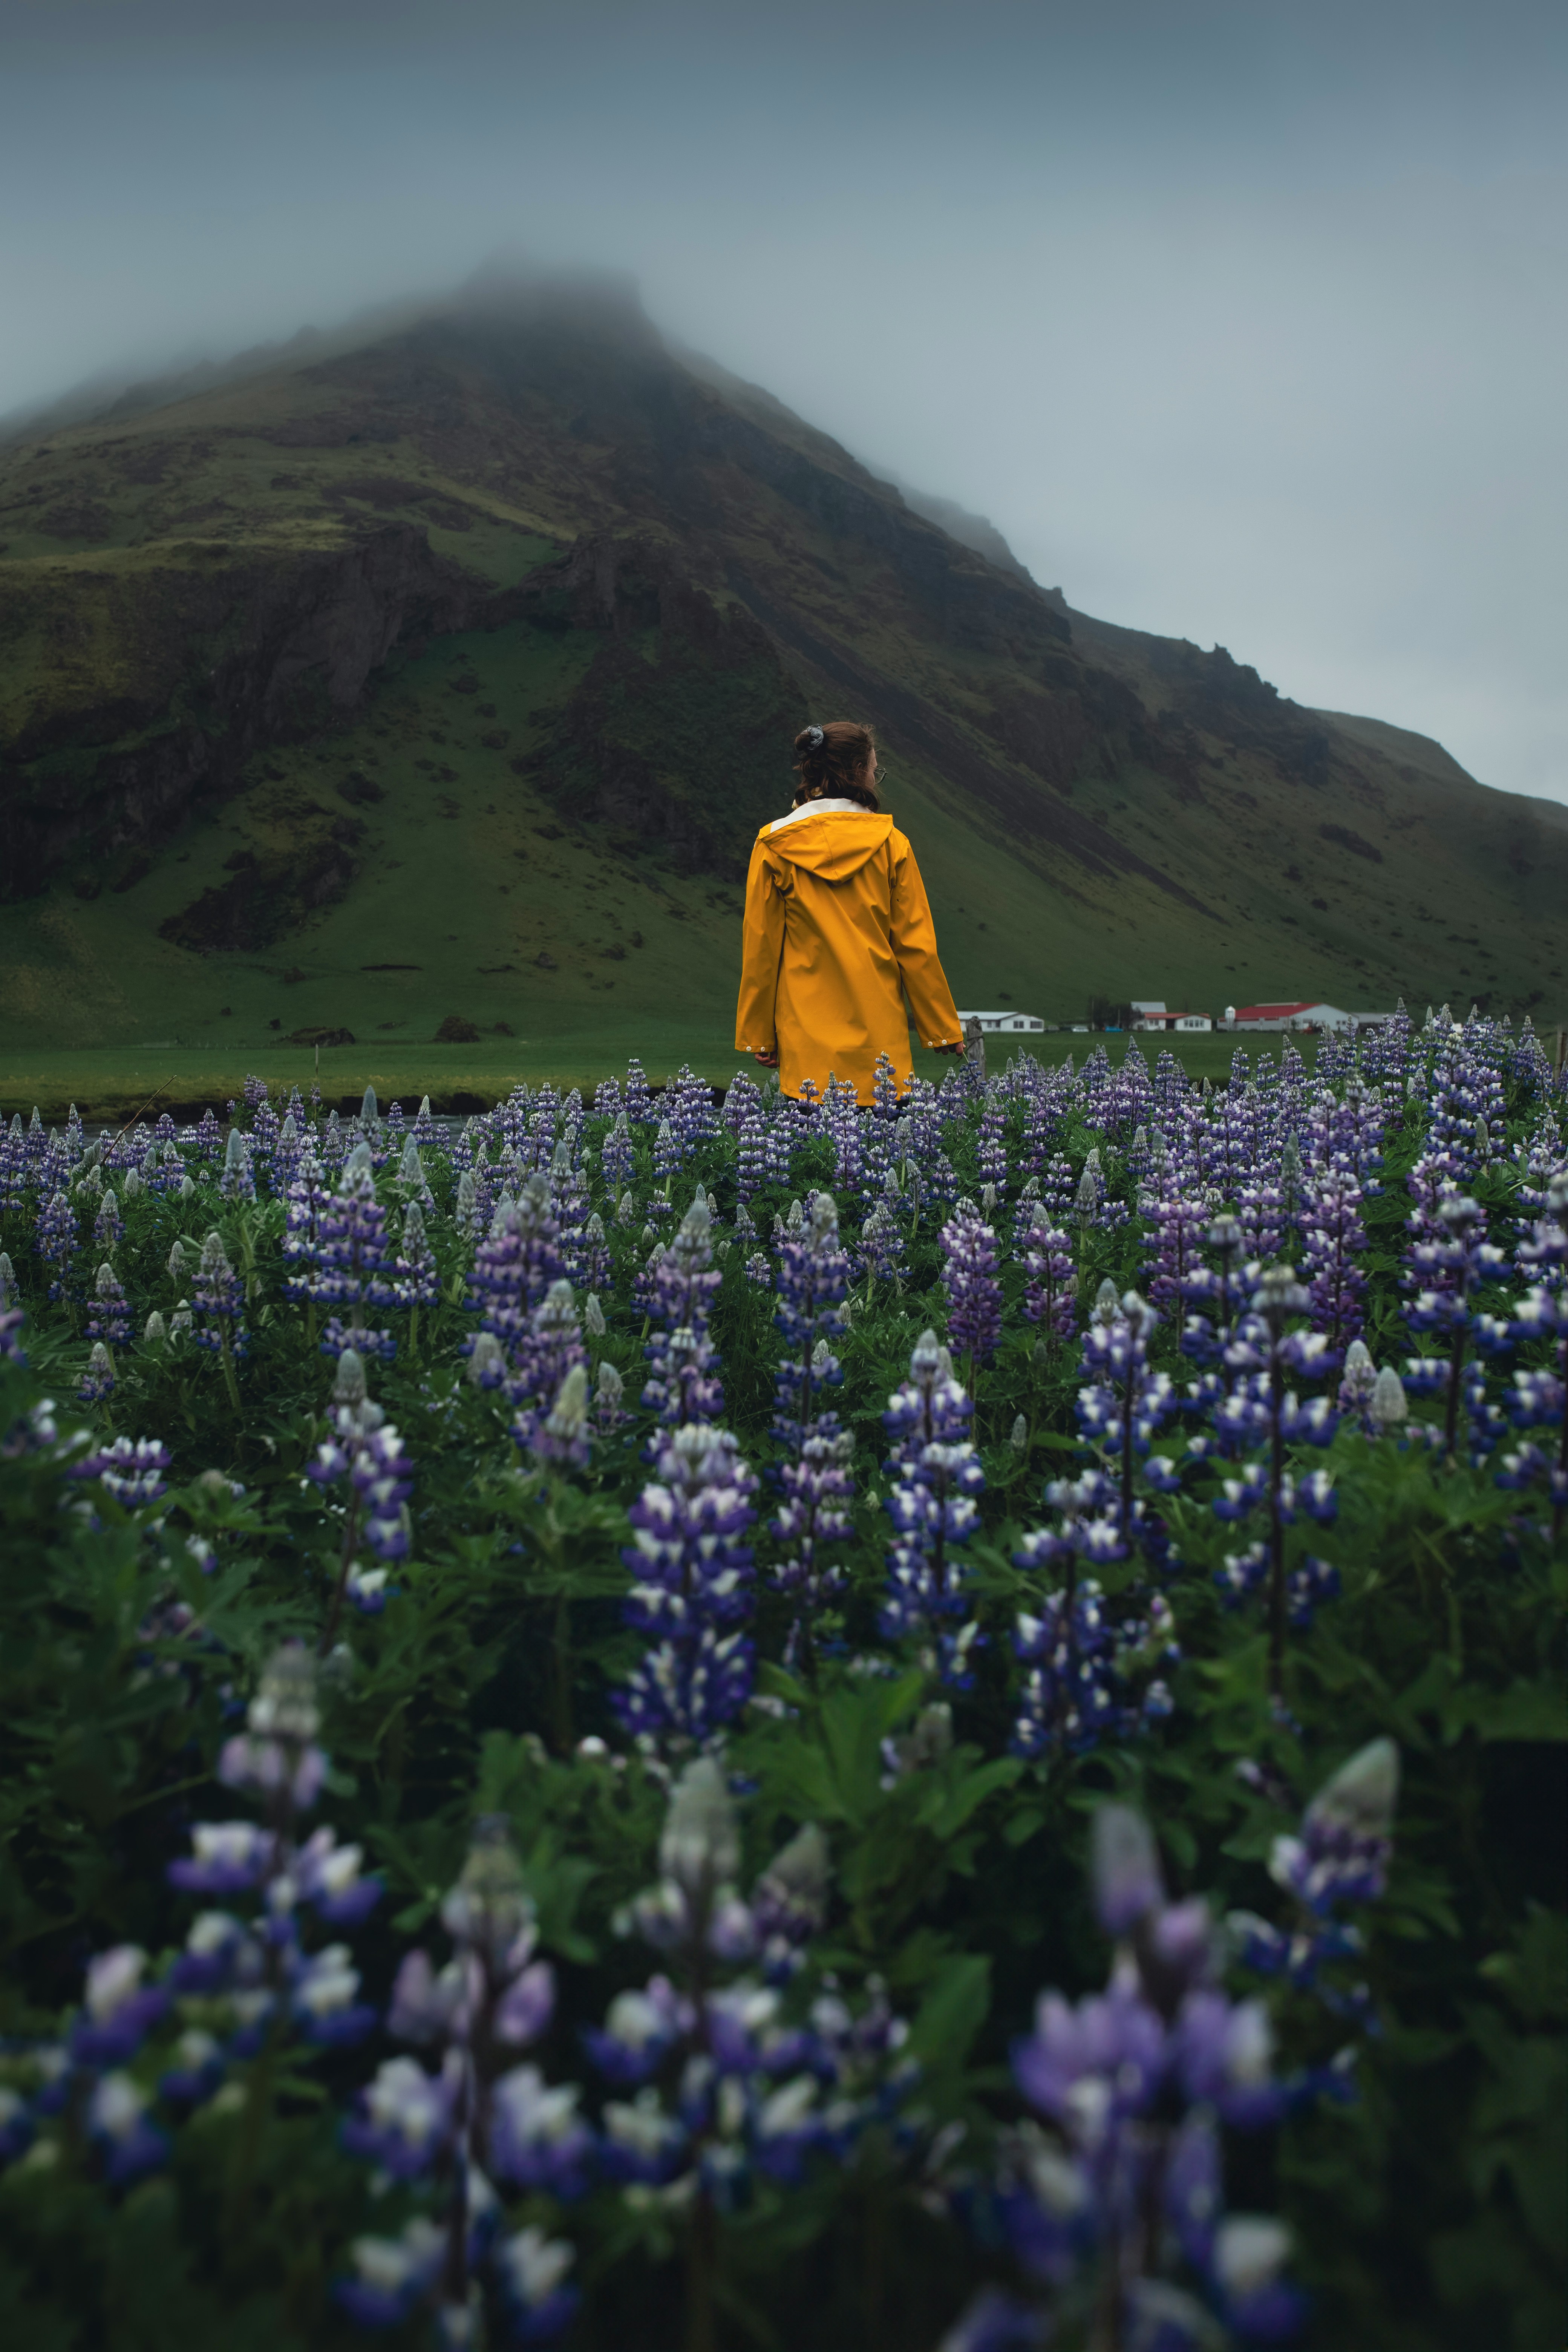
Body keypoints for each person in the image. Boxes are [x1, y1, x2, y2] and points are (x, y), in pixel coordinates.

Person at [734, 720, 964, 1105]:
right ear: (858, 772)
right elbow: (915, 947)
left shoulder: (773, 843)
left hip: (806, 1049)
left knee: (811, 1162)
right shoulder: (892, 843)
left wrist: (759, 1033)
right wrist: (941, 1028)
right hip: (881, 1052)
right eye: (875, 770)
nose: (875, 778)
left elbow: (761, 947)